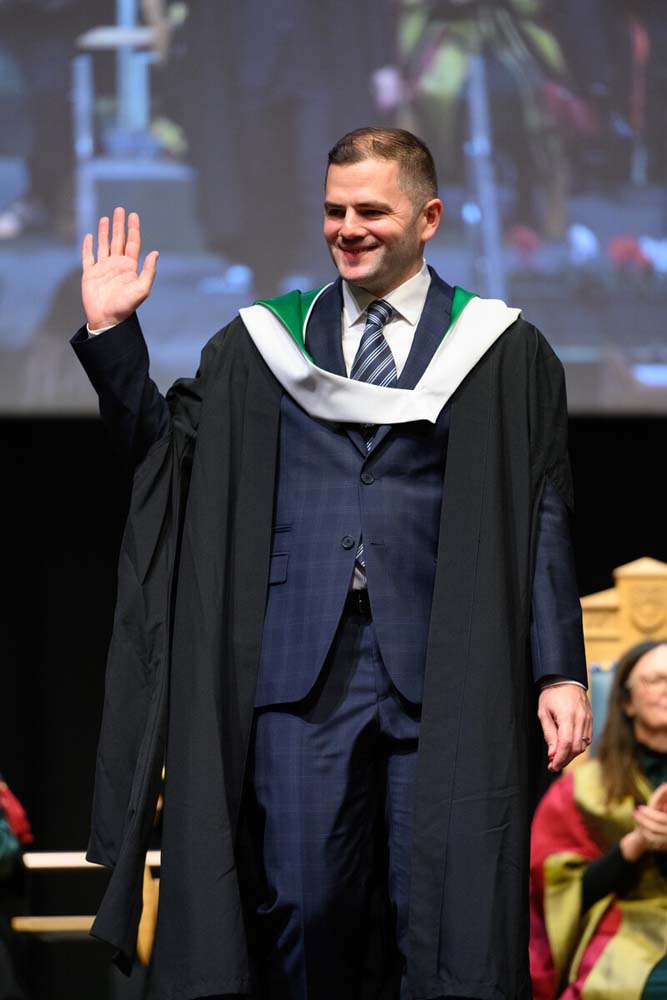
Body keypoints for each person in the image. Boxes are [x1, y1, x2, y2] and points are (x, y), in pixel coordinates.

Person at [71, 127, 591, 1000]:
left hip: (453, 663)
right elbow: (164, 460)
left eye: (370, 211)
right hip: (296, 669)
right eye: (333, 211)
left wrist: (558, 669)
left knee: (449, 916)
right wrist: (112, 332)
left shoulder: (501, 349)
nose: (347, 229)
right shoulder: (261, 345)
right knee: (304, 911)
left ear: (427, 217)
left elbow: (542, 508)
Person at [530, 640, 667, 1000]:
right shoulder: (583, 790)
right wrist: (635, 844)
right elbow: (559, 894)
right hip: (628, 929)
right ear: (627, 701)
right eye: (656, 680)